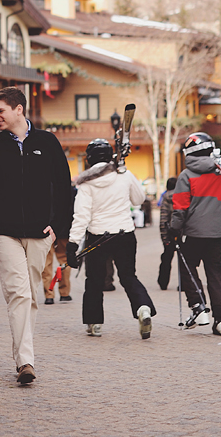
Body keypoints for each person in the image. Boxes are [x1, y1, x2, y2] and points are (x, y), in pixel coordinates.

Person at [0, 86, 72, 386]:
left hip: (39, 233)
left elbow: (64, 186)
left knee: (30, 294)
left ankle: (22, 354)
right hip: (4, 234)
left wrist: (59, 227)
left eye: (0, 110)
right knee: (18, 294)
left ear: (18, 109)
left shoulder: (47, 142)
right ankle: (25, 362)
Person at [65, 138, 156, 340]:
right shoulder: (124, 174)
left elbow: (81, 216)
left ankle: (94, 323)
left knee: (94, 281)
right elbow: (139, 199)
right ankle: (143, 308)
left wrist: (72, 244)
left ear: (89, 159)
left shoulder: (85, 183)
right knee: (128, 276)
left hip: (98, 237)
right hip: (125, 233)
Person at [170, 132, 221, 336]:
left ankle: (199, 307)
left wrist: (174, 229)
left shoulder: (186, 175)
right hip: (216, 232)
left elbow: (180, 206)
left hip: (194, 231)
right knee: (215, 273)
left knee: (187, 267)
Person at [158, 177, 178, 290]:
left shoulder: (165, 197)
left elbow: (163, 218)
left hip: (170, 232)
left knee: (166, 258)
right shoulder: (184, 196)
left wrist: (164, 238)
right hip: (182, 232)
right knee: (183, 260)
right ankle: (184, 283)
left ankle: (163, 282)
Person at [42, 238, 72, 304]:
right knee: (64, 260)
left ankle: (49, 295)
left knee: (46, 263)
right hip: (63, 232)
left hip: (46, 233)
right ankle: (64, 293)